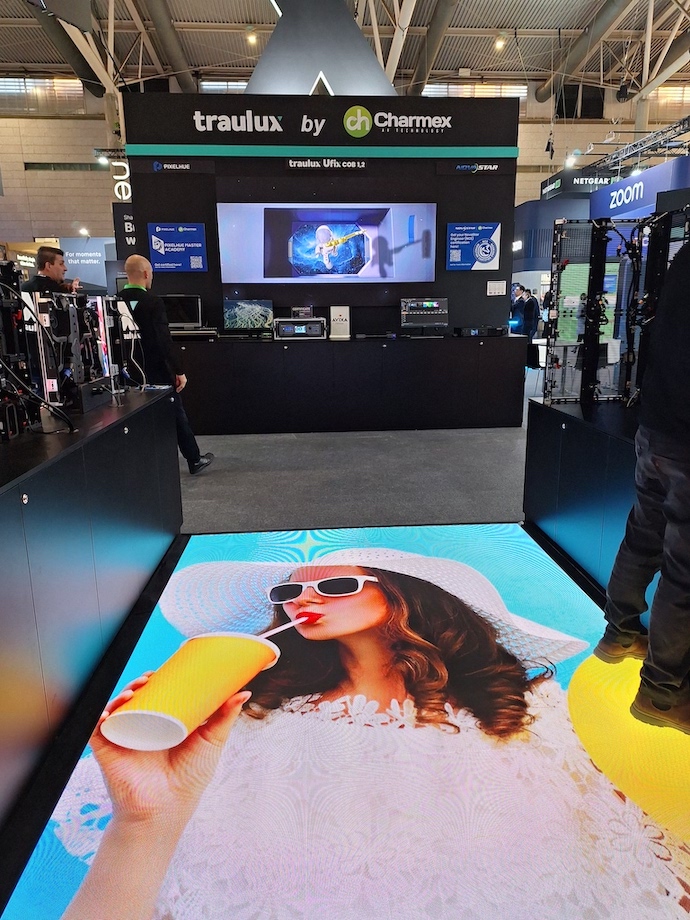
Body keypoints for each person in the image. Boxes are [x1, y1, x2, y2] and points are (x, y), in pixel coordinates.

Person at [56, 548, 688, 919]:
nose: (304, 599)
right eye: (290, 590)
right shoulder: (249, 711)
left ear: (406, 598)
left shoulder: (519, 706)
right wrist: (143, 815)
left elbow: (610, 830)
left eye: (335, 586)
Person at [594, 241, 690, 733]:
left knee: (643, 535)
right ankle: (662, 692)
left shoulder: (684, 257)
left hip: (656, 426)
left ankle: (620, 633)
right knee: (684, 571)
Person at [120, 254, 213, 475]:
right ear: (146, 274)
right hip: (156, 370)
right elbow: (164, 340)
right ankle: (194, 459)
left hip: (125, 372)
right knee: (176, 412)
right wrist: (178, 370)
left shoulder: (114, 301)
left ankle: (135, 465)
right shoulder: (153, 302)